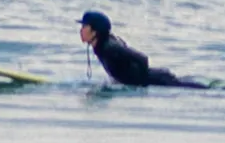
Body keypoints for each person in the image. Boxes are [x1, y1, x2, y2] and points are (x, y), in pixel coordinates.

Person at [78, 11, 209, 88]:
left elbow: (142, 59)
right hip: (154, 79)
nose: (81, 30)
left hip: (157, 80)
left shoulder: (109, 47)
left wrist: (138, 84)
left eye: (85, 26)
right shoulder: (102, 45)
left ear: (95, 31)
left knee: (204, 89)